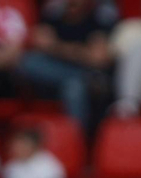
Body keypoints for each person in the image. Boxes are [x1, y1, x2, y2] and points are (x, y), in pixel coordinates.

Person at [19, 0, 116, 129]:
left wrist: (56, 47)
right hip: (56, 71)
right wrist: (80, 51)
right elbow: (39, 41)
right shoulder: (53, 11)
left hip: (88, 75)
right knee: (27, 62)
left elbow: (98, 59)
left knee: (74, 88)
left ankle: (76, 140)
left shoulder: (100, 15)